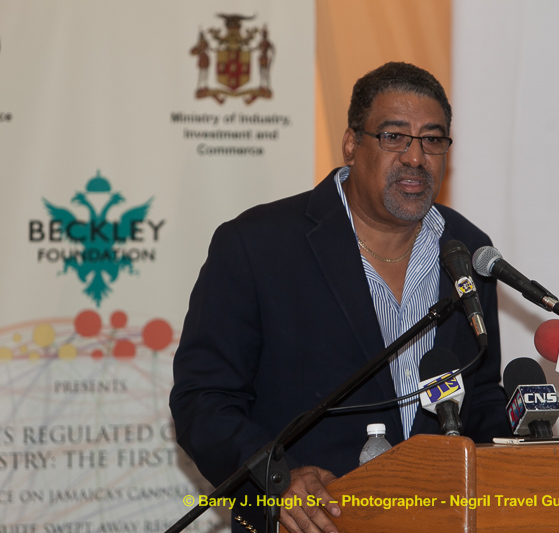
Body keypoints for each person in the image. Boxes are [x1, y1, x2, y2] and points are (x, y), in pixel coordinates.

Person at [170, 62, 510, 533]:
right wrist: (276, 479)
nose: (416, 157)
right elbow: (203, 399)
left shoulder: (466, 249)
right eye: (394, 136)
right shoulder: (257, 245)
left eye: (433, 140)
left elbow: (482, 394)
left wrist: (525, 457)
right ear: (352, 144)